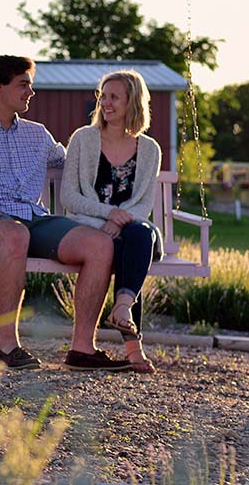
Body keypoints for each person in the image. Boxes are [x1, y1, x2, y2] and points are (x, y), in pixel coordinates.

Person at [0, 55, 130, 372]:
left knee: (99, 244)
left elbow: (71, 165)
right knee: (14, 235)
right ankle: (8, 346)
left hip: (35, 220)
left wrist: (118, 156)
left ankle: (82, 349)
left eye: (30, 85)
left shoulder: (38, 135)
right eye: (23, 84)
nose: (30, 92)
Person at [61, 70, 164, 374]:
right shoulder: (83, 139)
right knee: (131, 251)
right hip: (91, 229)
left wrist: (121, 221)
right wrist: (107, 214)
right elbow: (69, 196)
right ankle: (134, 347)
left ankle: (121, 308)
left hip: (131, 230)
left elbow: (143, 204)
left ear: (132, 102)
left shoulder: (150, 149)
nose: (105, 103)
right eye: (102, 96)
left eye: (114, 97)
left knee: (139, 236)